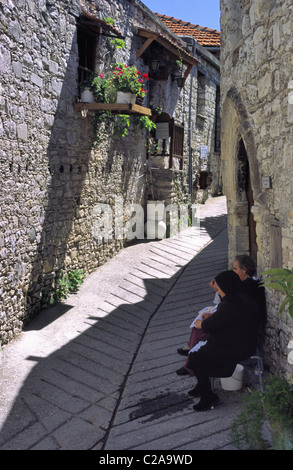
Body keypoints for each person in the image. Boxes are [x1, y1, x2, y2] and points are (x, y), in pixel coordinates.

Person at [176, 254, 266, 375]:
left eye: (235, 269)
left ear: (244, 270)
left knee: (201, 328)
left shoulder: (247, 287)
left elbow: (230, 306)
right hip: (239, 325)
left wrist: (212, 316)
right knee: (202, 324)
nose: (233, 271)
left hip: (241, 334)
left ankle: (193, 361)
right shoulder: (245, 285)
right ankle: (192, 355)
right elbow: (229, 306)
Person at [186, 270, 260, 412]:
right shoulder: (242, 297)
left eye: (219, 290)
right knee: (200, 351)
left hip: (237, 346)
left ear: (227, 288)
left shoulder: (231, 304)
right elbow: (225, 317)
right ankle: (203, 385)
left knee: (195, 357)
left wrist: (200, 323)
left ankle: (208, 396)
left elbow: (207, 325)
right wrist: (213, 316)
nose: (219, 292)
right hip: (244, 341)